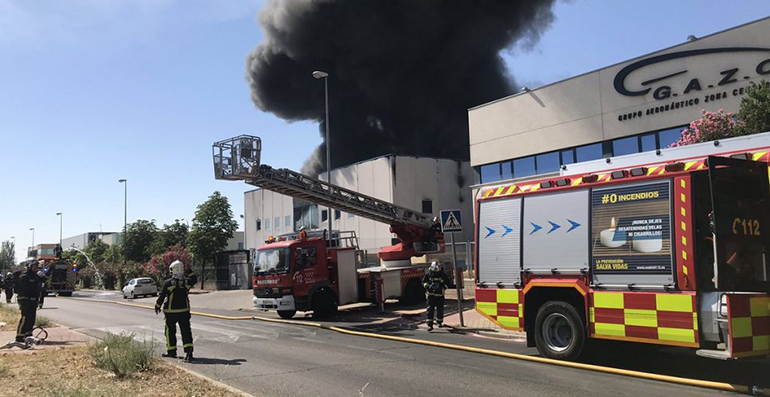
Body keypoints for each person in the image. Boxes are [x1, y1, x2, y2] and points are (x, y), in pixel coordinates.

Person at [155, 260, 197, 362]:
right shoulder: (187, 281)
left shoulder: (168, 282)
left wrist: (157, 306)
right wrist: (189, 271)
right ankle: (188, 351)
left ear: (173, 270)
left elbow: (162, 295)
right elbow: (194, 279)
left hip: (171, 311)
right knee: (186, 330)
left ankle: (171, 351)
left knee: (170, 331)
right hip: (184, 310)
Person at [421, 261, 453, 331]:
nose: (436, 269)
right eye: (435, 268)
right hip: (431, 295)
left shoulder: (442, 274)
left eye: (438, 268)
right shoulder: (429, 274)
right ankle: (430, 325)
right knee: (430, 310)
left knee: (440, 309)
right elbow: (423, 282)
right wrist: (428, 286)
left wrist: (442, 287)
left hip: (440, 295)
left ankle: (439, 322)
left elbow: (448, 283)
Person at [15, 260, 41, 343]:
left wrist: (51, 269)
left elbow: (43, 282)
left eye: (36, 265)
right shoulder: (24, 276)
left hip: (33, 301)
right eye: (34, 266)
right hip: (25, 300)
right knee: (25, 318)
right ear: (29, 266)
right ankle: (19, 336)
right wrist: (25, 300)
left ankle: (28, 335)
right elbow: (23, 289)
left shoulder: (35, 276)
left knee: (31, 319)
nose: (36, 267)